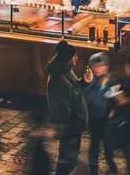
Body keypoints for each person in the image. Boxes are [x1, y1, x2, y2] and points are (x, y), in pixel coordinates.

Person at [46, 41, 88, 175]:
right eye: (74, 56)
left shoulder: (66, 71)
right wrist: (70, 135)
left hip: (73, 127)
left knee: (69, 160)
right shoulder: (59, 80)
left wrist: (84, 82)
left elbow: (74, 91)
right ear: (68, 59)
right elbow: (61, 111)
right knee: (66, 161)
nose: (77, 58)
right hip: (70, 129)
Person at [81, 52, 119, 175]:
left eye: (102, 66)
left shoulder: (111, 80)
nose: (99, 69)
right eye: (96, 66)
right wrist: (85, 82)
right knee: (94, 146)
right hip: (94, 119)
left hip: (107, 120)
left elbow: (116, 98)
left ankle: (111, 163)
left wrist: (113, 110)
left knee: (108, 145)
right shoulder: (89, 80)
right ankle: (93, 170)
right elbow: (81, 93)